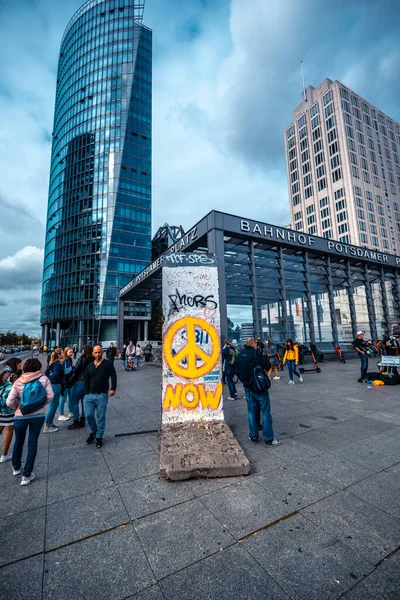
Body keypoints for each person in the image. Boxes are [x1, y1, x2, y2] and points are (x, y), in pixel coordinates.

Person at [6, 358, 54, 485]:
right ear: (38, 368)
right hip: (38, 416)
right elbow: (50, 396)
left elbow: (9, 402)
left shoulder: (18, 381)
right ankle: (26, 475)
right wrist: (40, 404)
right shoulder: (44, 379)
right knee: (32, 443)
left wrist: (19, 407)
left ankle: (16, 468)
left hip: (20, 416)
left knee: (18, 442)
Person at [236, 338, 281, 447]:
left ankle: (253, 436)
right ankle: (269, 439)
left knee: (251, 412)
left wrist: (245, 381)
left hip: (248, 388)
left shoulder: (241, 354)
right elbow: (268, 365)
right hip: (259, 388)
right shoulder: (256, 353)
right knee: (265, 412)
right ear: (254, 344)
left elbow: (236, 370)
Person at [84, 345, 117, 448]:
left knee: (101, 417)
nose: (97, 354)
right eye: (95, 352)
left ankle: (99, 437)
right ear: (93, 353)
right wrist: (86, 393)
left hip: (102, 395)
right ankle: (93, 431)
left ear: (102, 352)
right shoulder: (90, 366)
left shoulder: (107, 363)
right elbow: (86, 379)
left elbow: (113, 375)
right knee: (88, 415)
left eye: (99, 352)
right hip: (89, 395)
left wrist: (113, 388)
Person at [0, 358, 22, 463]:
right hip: (7, 407)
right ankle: (4, 455)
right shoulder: (11, 374)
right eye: (19, 365)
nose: (20, 367)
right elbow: (12, 391)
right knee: (9, 430)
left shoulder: (4, 371)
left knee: (1, 426)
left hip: (1, 406)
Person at [68, 345, 94, 430]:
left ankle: (76, 421)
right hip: (88, 383)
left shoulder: (82, 358)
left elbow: (76, 370)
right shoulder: (93, 359)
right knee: (84, 402)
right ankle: (82, 420)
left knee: (74, 401)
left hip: (80, 381)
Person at [43, 349, 64, 432]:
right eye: (62, 353)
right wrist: (60, 382)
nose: (63, 354)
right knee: (53, 405)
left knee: (53, 405)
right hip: (55, 385)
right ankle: (47, 426)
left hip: (52, 385)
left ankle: (50, 423)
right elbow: (55, 375)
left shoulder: (52, 363)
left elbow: (47, 372)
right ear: (58, 355)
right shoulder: (58, 364)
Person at [58, 347, 74, 421]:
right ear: (66, 352)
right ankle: (61, 414)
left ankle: (71, 411)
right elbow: (64, 372)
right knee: (63, 398)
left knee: (71, 397)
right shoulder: (63, 361)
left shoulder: (69, 359)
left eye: (72, 352)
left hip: (70, 381)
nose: (71, 353)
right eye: (70, 352)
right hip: (65, 382)